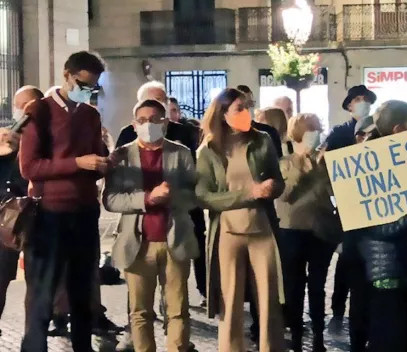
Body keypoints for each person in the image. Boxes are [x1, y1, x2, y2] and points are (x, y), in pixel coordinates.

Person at [19, 51, 109, 352]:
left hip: (84, 212)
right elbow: (30, 167)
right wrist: (77, 163)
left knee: (82, 293)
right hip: (49, 215)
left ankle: (83, 346)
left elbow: (96, 157)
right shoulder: (40, 111)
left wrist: (103, 163)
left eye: (93, 87)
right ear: (67, 76)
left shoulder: (90, 115)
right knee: (42, 295)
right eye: (84, 84)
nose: (87, 91)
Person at [103, 99, 199, 352]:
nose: (149, 125)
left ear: (165, 122)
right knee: (140, 312)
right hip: (137, 244)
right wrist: (147, 199)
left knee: (178, 310)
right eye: (143, 120)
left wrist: (172, 196)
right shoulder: (123, 156)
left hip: (175, 241)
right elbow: (111, 200)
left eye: (155, 119)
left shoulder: (181, 153)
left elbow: (194, 196)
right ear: (134, 125)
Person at [196, 88, 285, 352]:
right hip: (227, 231)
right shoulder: (208, 149)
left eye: (247, 107)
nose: (245, 112)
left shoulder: (263, 140)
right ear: (223, 114)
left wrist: (272, 187)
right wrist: (249, 193)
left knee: (269, 299)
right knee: (230, 299)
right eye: (238, 108)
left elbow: (278, 180)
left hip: (261, 227)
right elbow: (204, 196)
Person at [355, 100, 407, 352]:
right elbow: (374, 226)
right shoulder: (370, 168)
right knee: (393, 340)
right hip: (388, 273)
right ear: (399, 130)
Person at [276, 113, 339, 352]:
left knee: (317, 285)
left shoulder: (325, 162)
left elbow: (334, 193)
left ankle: (318, 336)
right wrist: (300, 167)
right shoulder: (285, 162)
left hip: (320, 231)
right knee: (294, 286)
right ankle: (296, 334)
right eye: (310, 128)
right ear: (298, 133)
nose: (315, 132)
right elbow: (284, 194)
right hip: (292, 231)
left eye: (317, 128)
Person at [326, 85, 377, 349]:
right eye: (357, 100)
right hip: (349, 209)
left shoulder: (378, 131)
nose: (362, 103)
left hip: (376, 212)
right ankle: (339, 306)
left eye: (366, 99)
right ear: (349, 106)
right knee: (350, 262)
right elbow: (328, 165)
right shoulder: (339, 134)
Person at [0, 86, 43, 336]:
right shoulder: (7, 136)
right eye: (19, 106)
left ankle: (34, 340)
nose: (22, 111)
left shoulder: (49, 134)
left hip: (40, 216)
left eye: (27, 105)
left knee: (38, 286)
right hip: (7, 218)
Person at [235, 85, 284, 158]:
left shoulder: (269, 132)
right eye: (242, 105)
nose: (247, 108)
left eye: (250, 103)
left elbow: (278, 162)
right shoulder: (225, 135)